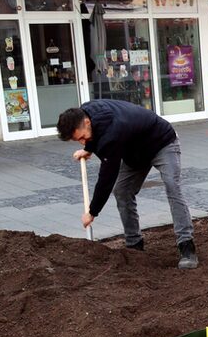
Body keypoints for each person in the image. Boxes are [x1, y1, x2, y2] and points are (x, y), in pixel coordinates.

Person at [56, 100, 198, 269]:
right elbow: (96, 132)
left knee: (172, 186)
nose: (81, 142)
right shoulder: (86, 111)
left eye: (81, 138)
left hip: (162, 142)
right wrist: (88, 148)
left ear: (87, 122)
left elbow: (106, 177)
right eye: (77, 140)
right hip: (135, 152)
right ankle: (134, 245)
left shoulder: (112, 134)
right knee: (122, 191)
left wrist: (92, 212)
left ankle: (186, 245)